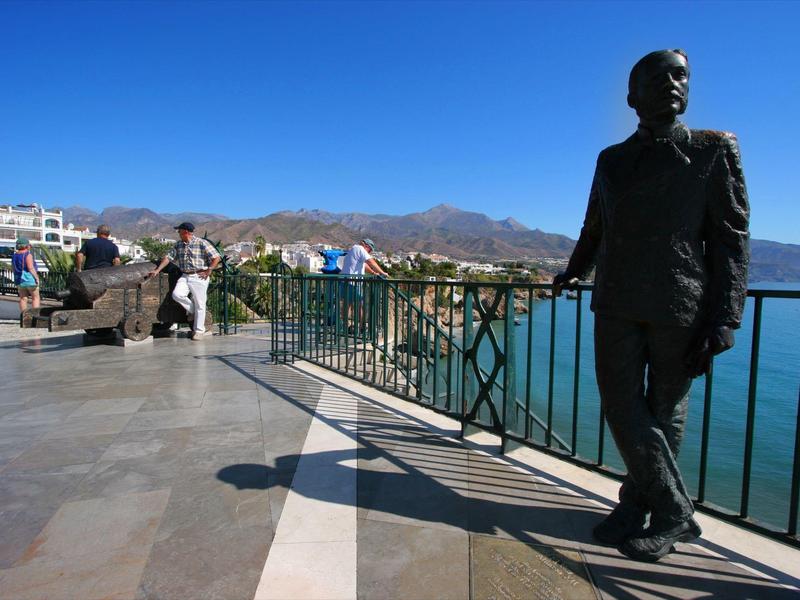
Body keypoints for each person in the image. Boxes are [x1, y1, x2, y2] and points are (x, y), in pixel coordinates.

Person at [553, 49, 749, 562]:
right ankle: (675, 511)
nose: (671, 84)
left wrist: (727, 315)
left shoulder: (713, 149)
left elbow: (731, 238)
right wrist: (574, 271)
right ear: (631, 96)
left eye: (680, 74)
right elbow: (595, 226)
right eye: (656, 77)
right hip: (615, 298)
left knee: (665, 412)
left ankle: (641, 508)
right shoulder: (611, 160)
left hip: (680, 302)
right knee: (621, 406)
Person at [147, 222, 221, 341]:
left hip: (199, 276)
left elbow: (216, 256)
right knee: (177, 295)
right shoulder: (179, 245)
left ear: (186, 232)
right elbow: (168, 258)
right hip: (185, 275)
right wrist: (157, 270)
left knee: (200, 304)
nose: (178, 233)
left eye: (179, 231)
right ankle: (192, 311)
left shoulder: (201, 243)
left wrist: (209, 270)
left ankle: (199, 331)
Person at [340, 239, 388, 331]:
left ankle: (344, 326)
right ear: (367, 246)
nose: (369, 252)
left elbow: (364, 265)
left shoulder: (353, 249)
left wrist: (373, 272)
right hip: (353, 282)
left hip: (346, 281)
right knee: (359, 305)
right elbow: (371, 262)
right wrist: (382, 272)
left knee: (347, 305)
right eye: (370, 250)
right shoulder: (360, 249)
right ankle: (361, 327)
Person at [12, 238, 40, 313]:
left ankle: (24, 316)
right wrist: (36, 278)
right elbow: (30, 268)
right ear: (27, 246)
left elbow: (13, 268)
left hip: (19, 279)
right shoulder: (27, 254)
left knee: (23, 298)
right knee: (35, 297)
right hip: (29, 279)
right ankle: (35, 316)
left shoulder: (14, 255)